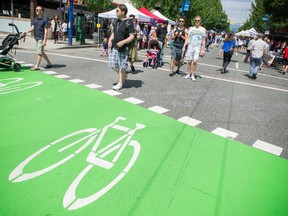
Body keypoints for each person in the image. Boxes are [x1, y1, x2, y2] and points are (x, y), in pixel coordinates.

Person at [108, 4, 135, 90]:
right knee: (112, 64)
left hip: (123, 48)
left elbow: (132, 36)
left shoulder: (129, 22)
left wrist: (123, 42)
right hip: (115, 47)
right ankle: (123, 76)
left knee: (122, 66)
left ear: (123, 12)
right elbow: (114, 32)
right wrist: (110, 40)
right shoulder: (116, 21)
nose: (115, 12)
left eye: (117, 11)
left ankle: (120, 82)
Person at [25, 5, 52, 70]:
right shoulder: (35, 18)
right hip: (36, 37)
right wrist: (26, 32)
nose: (36, 11)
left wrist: (44, 40)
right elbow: (33, 27)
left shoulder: (45, 20)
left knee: (39, 52)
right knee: (41, 51)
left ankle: (36, 66)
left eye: (37, 10)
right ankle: (49, 63)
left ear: (41, 11)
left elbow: (46, 31)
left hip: (41, 38)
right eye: (36, 9)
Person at [182, 15, 206, 81]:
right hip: (190, 46)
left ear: (200, 21)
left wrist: (203, 49)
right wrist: (184, 46)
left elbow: (203, 40)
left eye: (198, 20)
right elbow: (188, 38)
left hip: (197, 47)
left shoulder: (203, 29)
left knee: (195, 61)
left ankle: (193, 75)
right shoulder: (191, 28)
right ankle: (188, 74)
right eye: (196, 21)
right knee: (189, 61)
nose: (197, 22)